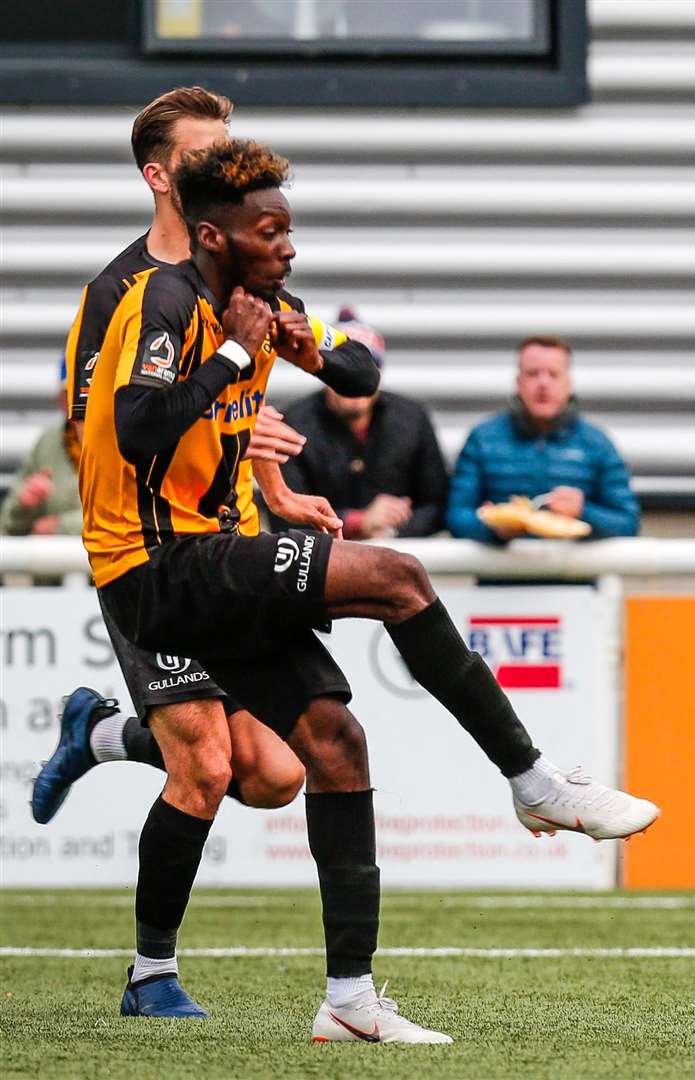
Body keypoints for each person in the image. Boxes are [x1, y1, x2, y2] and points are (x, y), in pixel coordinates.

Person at [76, 138, 658, 1041]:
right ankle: (532, 778)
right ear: (214, 236)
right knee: (397, 576)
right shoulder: (161, 297)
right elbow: (139, 428)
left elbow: (361, 372)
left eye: (290, 231)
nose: (290, 248)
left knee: (335, 744)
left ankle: (349, 1001)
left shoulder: (263, 299)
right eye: (271, 233)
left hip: (211, 559)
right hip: (156, 566)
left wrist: (303, 340)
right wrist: (235, 352)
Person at [35, 87, 322, 845]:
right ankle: (151, 964)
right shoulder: (117, 293)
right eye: (205, 156)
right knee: (207, 767)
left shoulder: (248, 270)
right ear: (159, 178)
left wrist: (275, 486)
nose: (227, 166)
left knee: (274, 775)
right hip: (150, 555)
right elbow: (94, 430)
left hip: (233, 546)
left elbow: (243, 404)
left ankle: (98, 735)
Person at [273, 309, 449, 539]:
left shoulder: (412, 418)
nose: (352, 383)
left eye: (363, 372)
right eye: (341, 371)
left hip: (395, 558)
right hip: (322, 566)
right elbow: (282, 515)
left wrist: (391, 531)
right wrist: (358, 522)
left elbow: (437, 503)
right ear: (323, 372)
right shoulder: (294, 422)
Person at [447, 335, 639, 542]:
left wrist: (583, 511)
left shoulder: (596, 443)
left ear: (568, 384)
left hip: (574, 573)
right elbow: (455, 517)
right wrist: (493, 527)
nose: (543, 383)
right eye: (533, 374)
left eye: (554, 374)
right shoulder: (483, 439)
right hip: (504, 573)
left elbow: (628, 522)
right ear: (519, 383)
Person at [2, 357, 84, 537]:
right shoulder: (48, 443)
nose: (79, 403)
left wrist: (61, 526)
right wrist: (23, 505)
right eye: (70, 394)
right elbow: (8, 526)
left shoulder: (123, 442)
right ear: (61, 400)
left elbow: (131, 518)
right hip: (58, 563)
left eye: (85, 393)